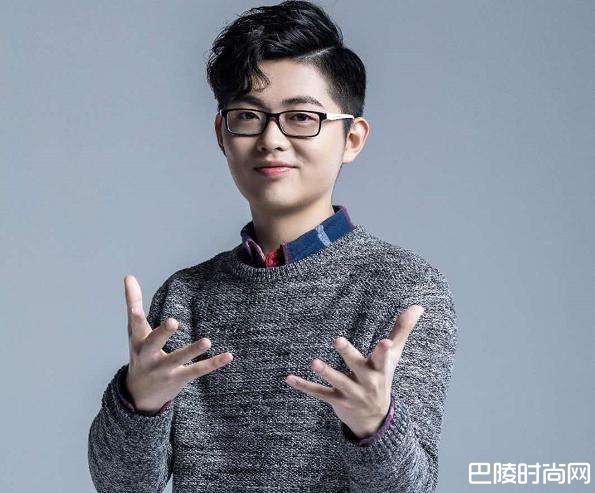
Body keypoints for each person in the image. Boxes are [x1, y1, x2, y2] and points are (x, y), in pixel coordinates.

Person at [87, 1, 459, 492]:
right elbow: (124, 487)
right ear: (222, 134)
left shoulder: (403, 289)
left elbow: (411, 488)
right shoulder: (184, 297)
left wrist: (374, 425)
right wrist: (139, 401)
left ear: (352, 138)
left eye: (301, 117)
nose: (271, 139)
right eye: (248, 116)